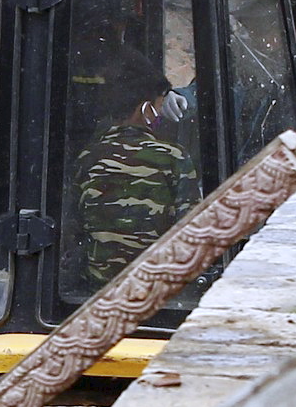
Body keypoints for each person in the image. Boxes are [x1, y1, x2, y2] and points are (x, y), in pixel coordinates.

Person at [70, 48, 200, 290]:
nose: (162, 113)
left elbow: (74, 230)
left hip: (97, 290)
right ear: (145, 109)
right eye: (160, 105)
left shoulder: (87, 158)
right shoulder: (174, 158)